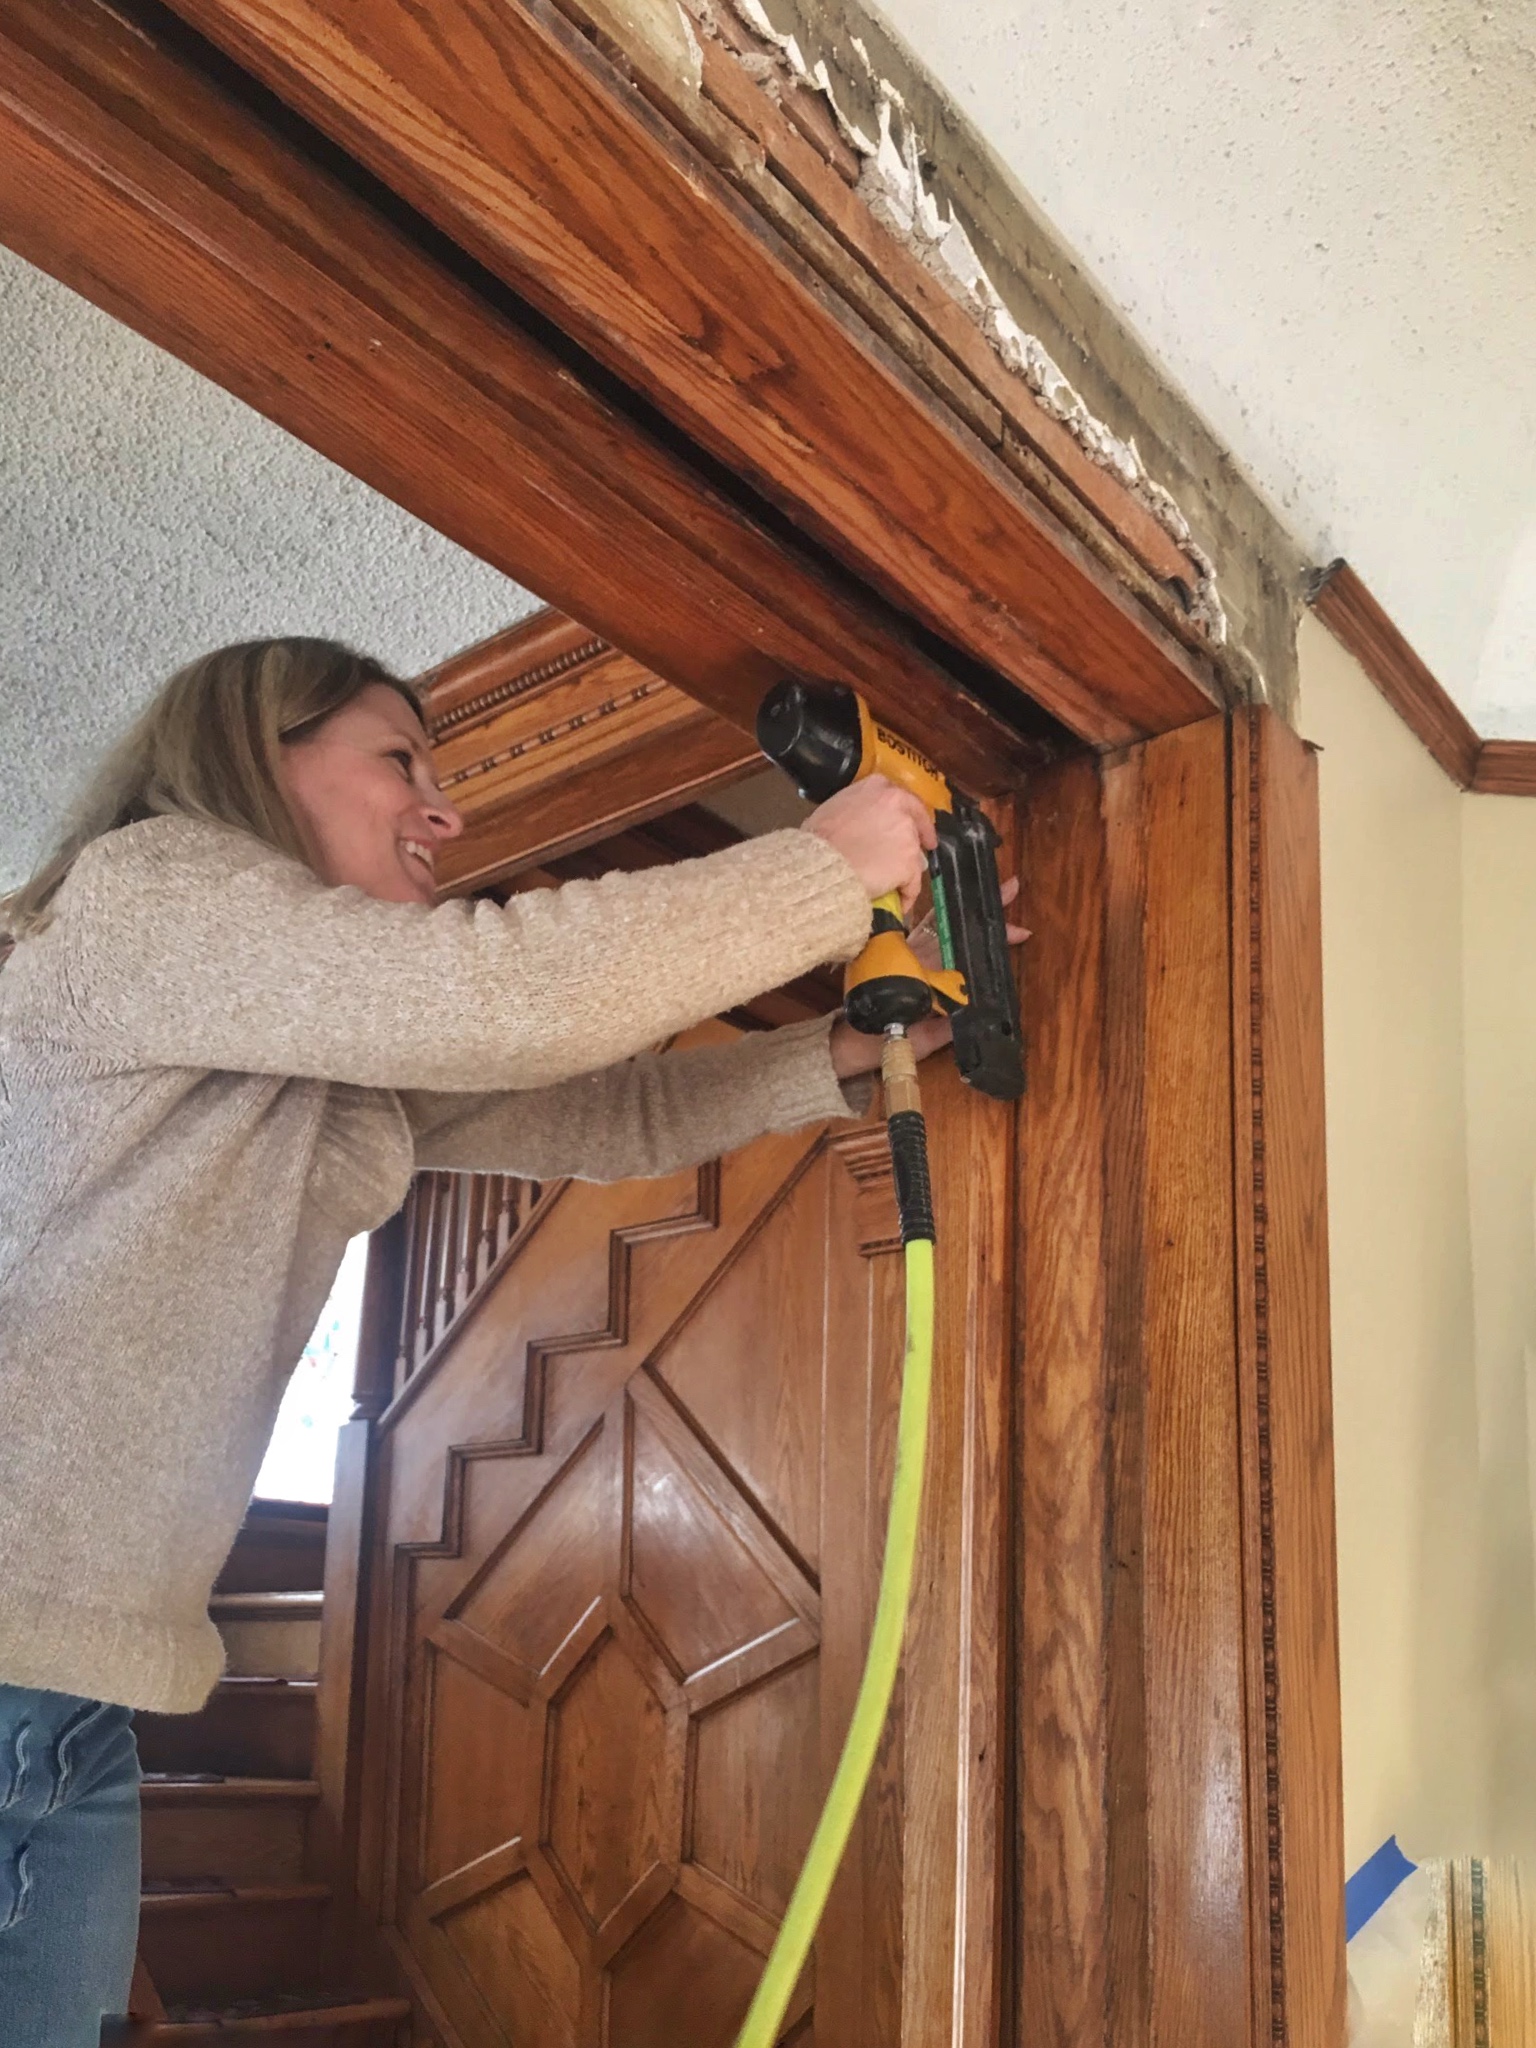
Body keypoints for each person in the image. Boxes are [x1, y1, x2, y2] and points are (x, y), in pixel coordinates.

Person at [0, 636, 998, 2044]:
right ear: (251, 754)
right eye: (400, 760)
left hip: (66, 1701)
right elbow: (498, 994)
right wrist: (824, 868)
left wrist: (825, 1060)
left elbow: (607, 1112)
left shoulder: (307, 1041)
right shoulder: (149, 891)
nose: (446, 809)